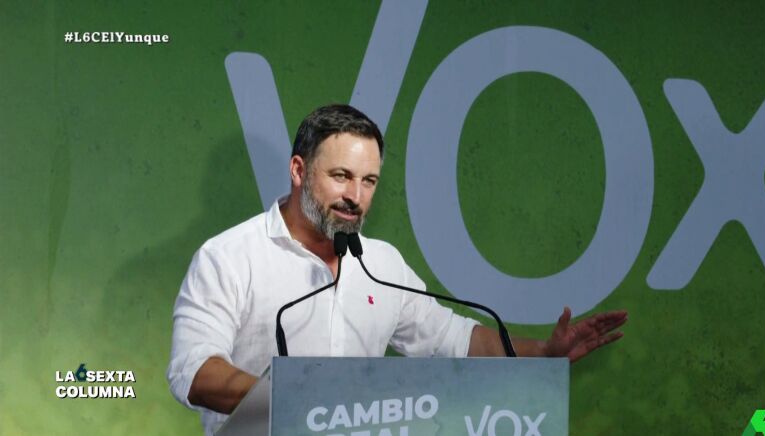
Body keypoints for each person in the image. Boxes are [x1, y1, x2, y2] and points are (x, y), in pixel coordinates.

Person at [167, 104, 627, 435]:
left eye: (368, 181)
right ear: (298, 170)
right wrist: (296, 400)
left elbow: (453, 339)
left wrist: (543, 353)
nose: (356, 196)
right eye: (341, 176)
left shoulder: (381, 264)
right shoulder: (229, 257)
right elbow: (194, 371)